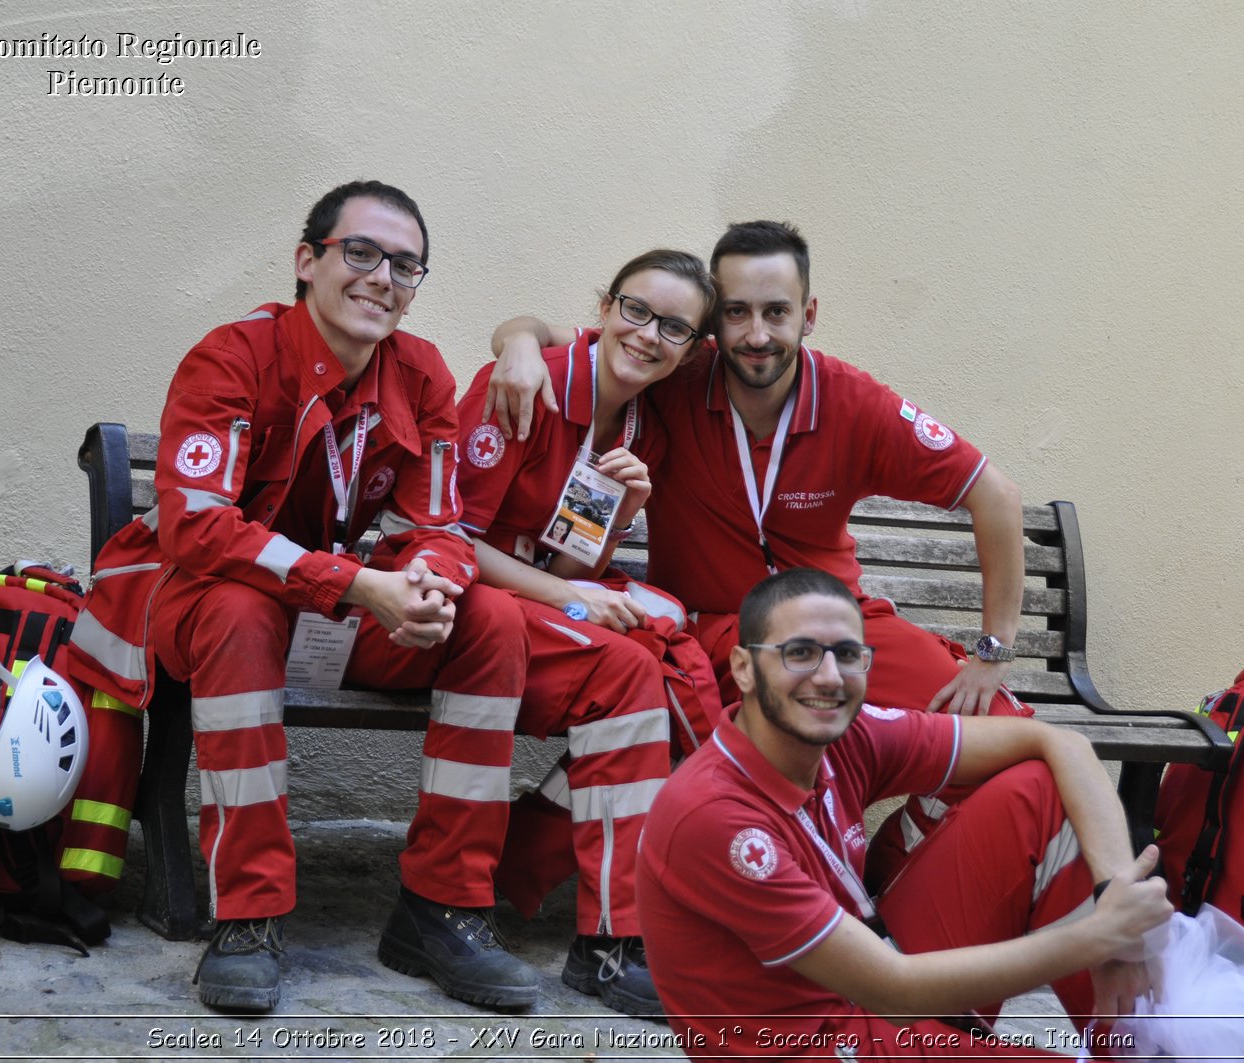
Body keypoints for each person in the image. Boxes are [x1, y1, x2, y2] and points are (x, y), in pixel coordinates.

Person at [71, 180, 538, 1014]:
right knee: (242, 610)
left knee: (490, 617)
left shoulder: (421, 370)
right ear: (307, 262)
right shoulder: (232, 355)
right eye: (359, 253)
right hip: (201, 596)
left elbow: (436, 518)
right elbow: (197, 528)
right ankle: (247, 916)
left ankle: (444, 905)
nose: (381, 277)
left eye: (405, 264)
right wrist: (358, 583)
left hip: (322, 600)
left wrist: (431, 583)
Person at [487, 220, 1028, 886]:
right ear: (713, 322)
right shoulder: (678, 371)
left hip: (839, 628)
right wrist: (514, 340)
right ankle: (522, 870)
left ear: (810, 314)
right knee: (687, 714)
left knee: (1000, 734)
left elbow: (996, 496)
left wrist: (991, 653)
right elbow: (555, 336)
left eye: (777, 312)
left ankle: (885, 876)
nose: (757, 334)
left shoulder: (854, 402)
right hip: (713, 628)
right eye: (737, 313)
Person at [636, 569, 1173, 1060]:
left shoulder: (844, 733)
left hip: (867, 984)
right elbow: (894, 991)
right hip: (822, 1039)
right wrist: (1100, 935)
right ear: (743, 669)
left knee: (1035, 787)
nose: (828, 677)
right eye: (799, 652)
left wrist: (1114, 902)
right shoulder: (715, 817)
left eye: (847, 654)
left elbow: (1060, 744)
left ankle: (1132, 1045)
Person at [452, 249, 723, 1015]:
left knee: (664, 641)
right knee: (639, 668)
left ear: (692, 348)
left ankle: (563, 883)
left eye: (674, 327)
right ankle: (606, 924)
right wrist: (574, 600)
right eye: (636, 310)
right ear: (605, 306)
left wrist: (621, 506)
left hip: (533, 601)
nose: (648, 335)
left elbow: (567, 555)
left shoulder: (639, 429)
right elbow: (450, 539)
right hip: (466, 604)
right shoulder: (526, 380)